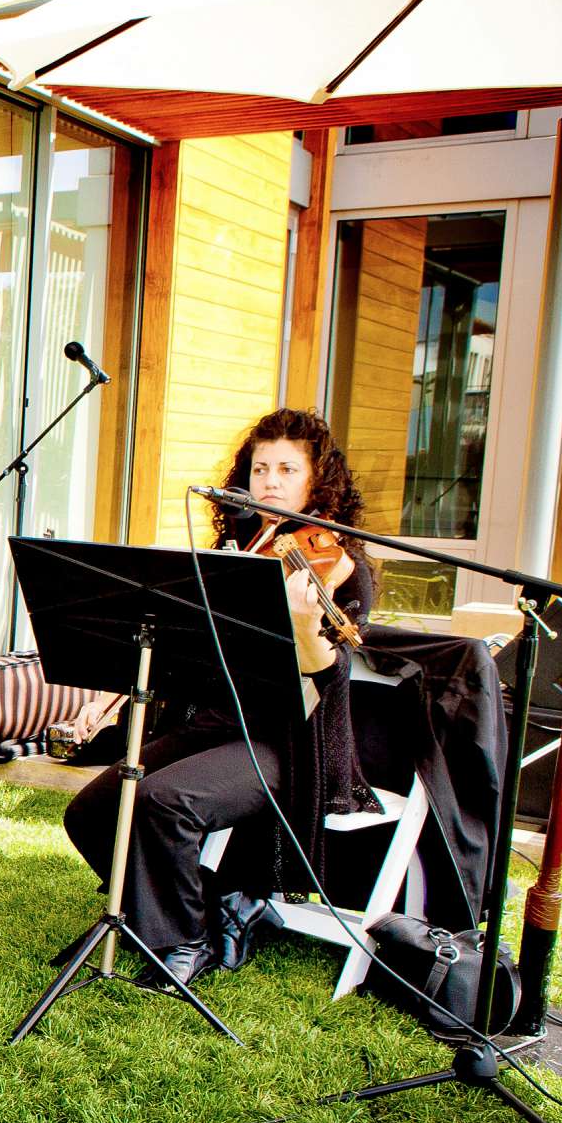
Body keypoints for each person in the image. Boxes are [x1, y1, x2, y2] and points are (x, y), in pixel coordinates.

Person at [60, 407, 377, 988]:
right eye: (261, 469)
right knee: (92, 810)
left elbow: (323, 681)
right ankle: (210, 911)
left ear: (317, 482)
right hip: (214, 724)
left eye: (287, 470)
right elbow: (185, 653)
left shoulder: (340, 566)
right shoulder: (237, 553)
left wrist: (307, 624)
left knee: (162, 801)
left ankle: (182, 941)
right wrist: (115, 696)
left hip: (286, 741)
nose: (272, 482)